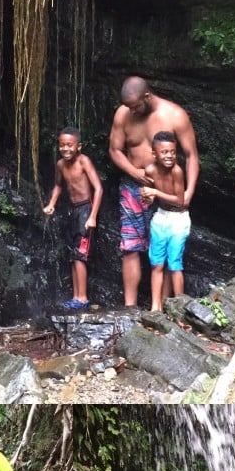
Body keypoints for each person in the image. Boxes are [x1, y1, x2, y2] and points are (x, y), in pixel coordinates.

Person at [108, 76, 199, 306]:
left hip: (166, 189)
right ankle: (130, 306)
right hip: (133, 187)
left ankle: (165, 305)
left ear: (147, 97)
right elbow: (115, 150)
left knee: (166, 248)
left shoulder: (174, 115)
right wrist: (134, 172)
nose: (131, 111)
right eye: (128, 106)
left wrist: (188, 193)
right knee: (130, 245)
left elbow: (191, 155)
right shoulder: (123, 114)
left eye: (135, 106)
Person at [43, 126, 103, 310]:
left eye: (70, 145)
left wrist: (92, 216)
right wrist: (51, 203)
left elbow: (99, 188)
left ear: (79, 146)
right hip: (73, 210)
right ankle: (75, 297)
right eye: (62, 145)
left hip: (86, 209)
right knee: (73, 254)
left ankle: (82, 298)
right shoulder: (61, 164)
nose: (65, 149)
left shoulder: (83, 161)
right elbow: (59, 185)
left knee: (80, 255)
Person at [140, 131, 192, 312]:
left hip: (179, 218)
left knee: (175, 263)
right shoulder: (150, 170)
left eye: (172, 151)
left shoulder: (177, 171)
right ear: (154, 154)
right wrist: (147, 197)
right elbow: (150, 200)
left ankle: (180, 307)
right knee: (156, 264)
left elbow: (179, 200)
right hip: (161, 216)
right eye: (164, 152)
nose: (169, 156)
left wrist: (155, 193)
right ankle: (156, 307)